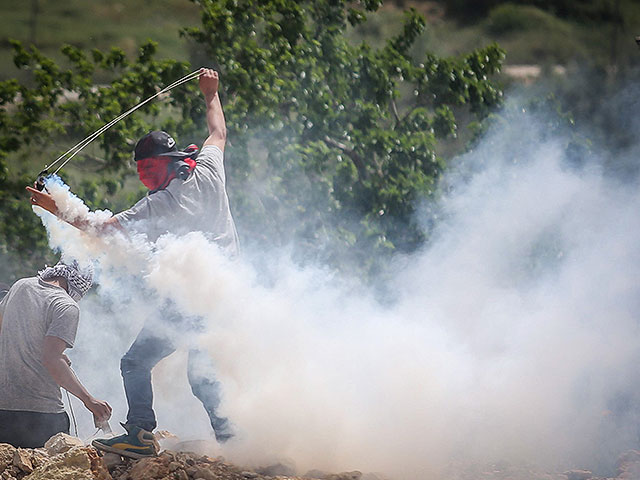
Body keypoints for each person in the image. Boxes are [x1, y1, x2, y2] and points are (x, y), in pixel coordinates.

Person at [27, 68, 239, 458]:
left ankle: (140, 435)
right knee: (202, 375)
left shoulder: (163, 202)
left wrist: (55, 207)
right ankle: (236, 442)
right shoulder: (209, 168)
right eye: (142, 172)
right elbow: (218, 133)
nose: (146, 178)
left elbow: (101, 229)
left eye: (151, 170)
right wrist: (211, 94)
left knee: (135, 361)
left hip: (194, 296)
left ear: (169, 163)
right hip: (225, 293)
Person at [0, 260, 112, 448]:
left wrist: (42, 351)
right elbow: (51, 359)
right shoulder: (66, 305)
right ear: (81, 283)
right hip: (41, 417)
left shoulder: (21, 285)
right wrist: (89, 400)